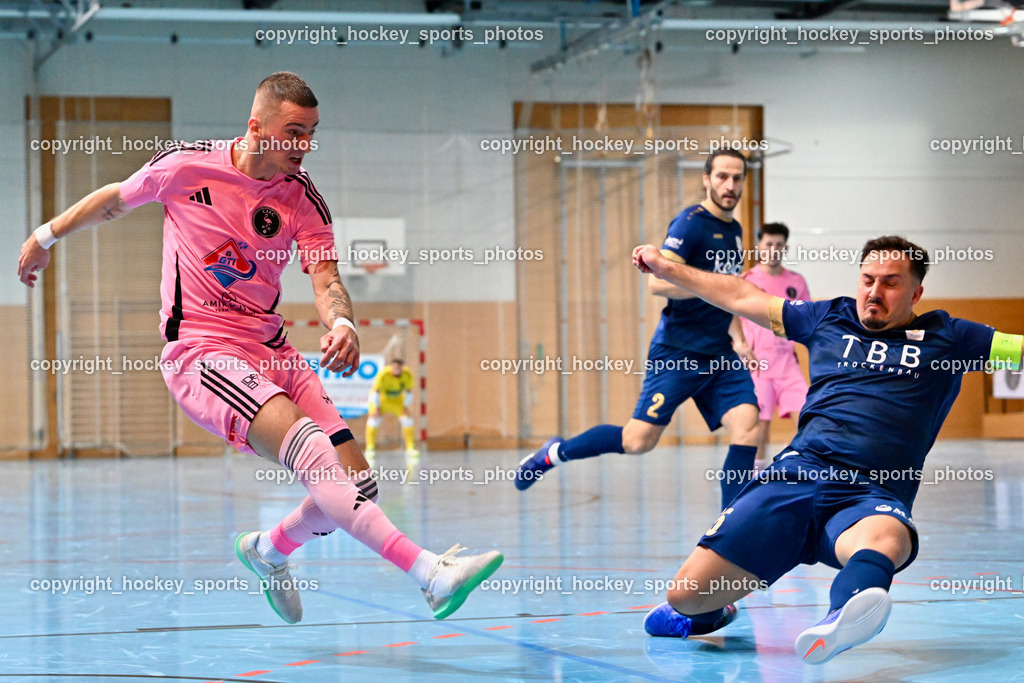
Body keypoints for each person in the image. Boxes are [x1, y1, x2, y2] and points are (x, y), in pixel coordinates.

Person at [17, 71, 502, 625]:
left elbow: (326, 278)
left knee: (360, 483)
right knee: (310, 450)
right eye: (294, 132)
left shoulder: (302, 197)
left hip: (272, 349)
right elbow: (114, 200)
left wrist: (343, 322)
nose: (305, 145)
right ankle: (431, 574)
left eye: (312, 133)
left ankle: (268, 550)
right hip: (202, 351)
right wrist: (45, 236)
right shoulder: (186, 166)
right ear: (256, 127)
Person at [631, 236, 1021, 663]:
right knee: (685, 595)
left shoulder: (950, 338)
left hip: (871, 492)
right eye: (868, 280)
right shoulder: (827, 318)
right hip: (795, 476)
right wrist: (668, 268)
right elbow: (742, 296)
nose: (875, 291)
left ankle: (844, 615)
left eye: (891, 283)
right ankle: (709, 614)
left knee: (889, 537)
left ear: (916, 293)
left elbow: (1019, 352)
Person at [515, 148, 761, 510]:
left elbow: (728, 293)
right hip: (679, 351)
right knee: (637, 441)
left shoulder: (735, 230)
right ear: (706, 179)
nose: (730, 185)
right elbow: (658, 283)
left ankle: (731, 525)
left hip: (720, 354)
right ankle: (554, 453)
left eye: (737, 178)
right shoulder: (690, 224)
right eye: (722, 176)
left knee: (748, 424)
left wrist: (738, 339)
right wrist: (713, 284)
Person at [740, 223, 811, 463]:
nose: (773, 249)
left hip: (787, 364)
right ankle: (757, 477)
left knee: (809, 421)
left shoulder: (796, 282)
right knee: (759, 429)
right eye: (769, 244)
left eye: (779, 245)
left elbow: (808, 321)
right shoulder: (746, 280)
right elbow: (731, 318)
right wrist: (740, 346)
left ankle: (785, 460)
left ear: (785, 248)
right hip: (758, 365)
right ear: (759, 247)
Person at [366, 357, 419, 458]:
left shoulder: (407, 375)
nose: (396, 370)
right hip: (382, 400)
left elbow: (408, 392)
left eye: (399, 368)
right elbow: (376, 392)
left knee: (407, 420)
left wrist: (406, 406)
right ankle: (370, 448)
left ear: (402, 368)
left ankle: (411, 448)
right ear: (391, 367)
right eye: (394, 367)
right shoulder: (383, 374)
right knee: (373, 420)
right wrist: (376, 407)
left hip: (397, 401)